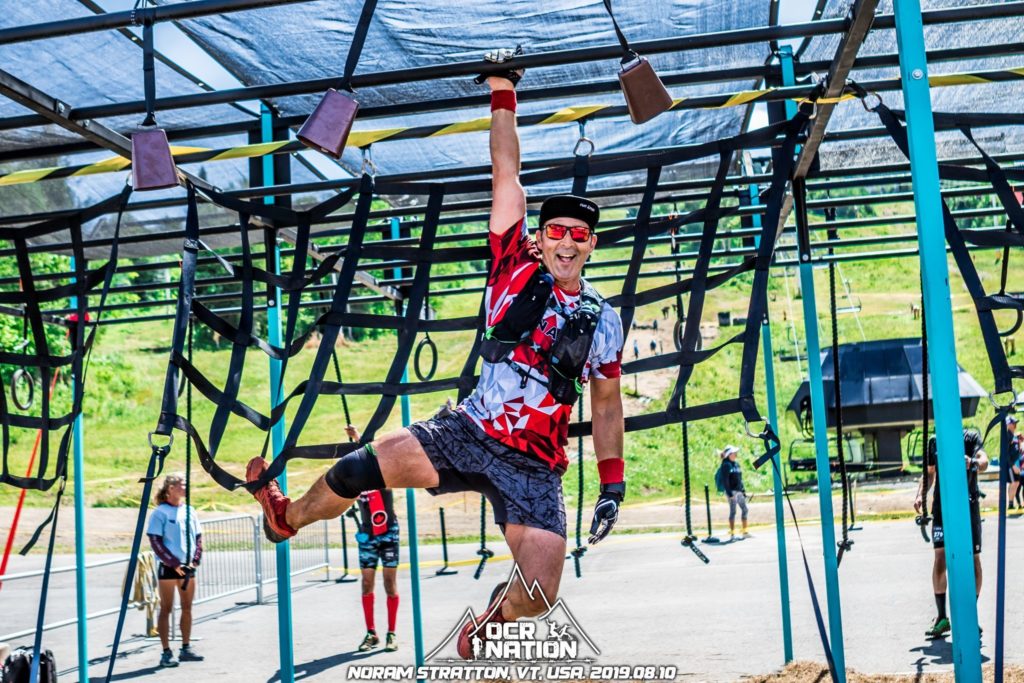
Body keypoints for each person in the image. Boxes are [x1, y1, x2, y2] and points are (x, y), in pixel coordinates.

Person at [245, 52, 625, 661]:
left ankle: (490, 624)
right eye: (556, 231)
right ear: (539, 237)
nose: (567, 242)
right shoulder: (513, 264)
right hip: (469, 429)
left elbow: (606, 403)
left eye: (579, 236)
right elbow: (508, 174)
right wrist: (503, 90)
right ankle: (285, 517)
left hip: (535, 464)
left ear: (592, 245)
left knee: (541, 594)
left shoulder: (605, 319)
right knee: (355, 470)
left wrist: (612, 483)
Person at [914, 428, 988, 638]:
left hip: (967, 505)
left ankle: (969, 616)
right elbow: (929, 472)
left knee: (973, 559)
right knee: (940, 558)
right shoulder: (934, 441)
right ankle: (942, 617)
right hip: (941, 508)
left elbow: (984, 460)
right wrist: (920, 495)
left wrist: (972, 462)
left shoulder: (970, 437)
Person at [344, 426, 401, 654]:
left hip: (389, 533)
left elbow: (373, 455)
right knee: (367, 583)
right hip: (367, 536)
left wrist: (358, 438)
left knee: (389, 583)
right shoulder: (357, 485)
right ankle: (371, 633)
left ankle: (391, 633)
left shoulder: (382, 479)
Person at [147, 473, 204, 668]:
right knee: (166, 608)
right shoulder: (160, 512)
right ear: (170, 488)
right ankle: (165, 651)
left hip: (187, 567)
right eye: (181, 485)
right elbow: (155, 541)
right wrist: (172, 562)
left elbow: (198, 537)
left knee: (187, 607)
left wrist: (195, 560)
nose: (185, 488)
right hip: (170, 568)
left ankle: (186, 647)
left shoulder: (190, 510)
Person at [717, 445, 749, 540]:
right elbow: (725, 480)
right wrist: (730, 494)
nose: (736, 454)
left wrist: (743, 491)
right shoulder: (726, 465)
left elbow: (740, 479)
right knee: (733, 512)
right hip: (732, 492)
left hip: (739, 491)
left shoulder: (736, 464)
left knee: (745, 509)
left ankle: (745, 532)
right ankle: (732, 534)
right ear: (729, 454)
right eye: (734, 453)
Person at [1006, 416, 1021, 510]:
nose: (1015, 424)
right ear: (1009, 424)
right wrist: (1012, 465)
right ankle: (1010, 504)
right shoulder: (1007, 435)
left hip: (1015, 463)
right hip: (1010, 464)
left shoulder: (1012, 435)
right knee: (1014, 483)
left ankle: (1011, 503)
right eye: (1013, 423)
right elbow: (1005, 453)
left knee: (1016, 483)